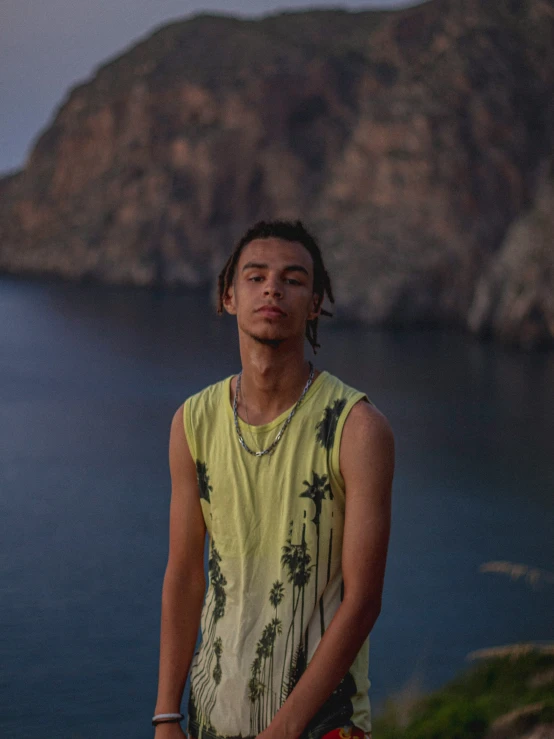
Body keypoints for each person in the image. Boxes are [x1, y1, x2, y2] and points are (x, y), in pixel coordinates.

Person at [152, 220, 394, 739]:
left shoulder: (357, 428)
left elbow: (363, 599)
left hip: (323, 726)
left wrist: (284, 729)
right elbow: (185, 576)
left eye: (293, 278)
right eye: (255, 276)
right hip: (209, 716)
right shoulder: (192, 422)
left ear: (315, 303)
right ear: (229, 297)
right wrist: (166, 715)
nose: (272, 289)